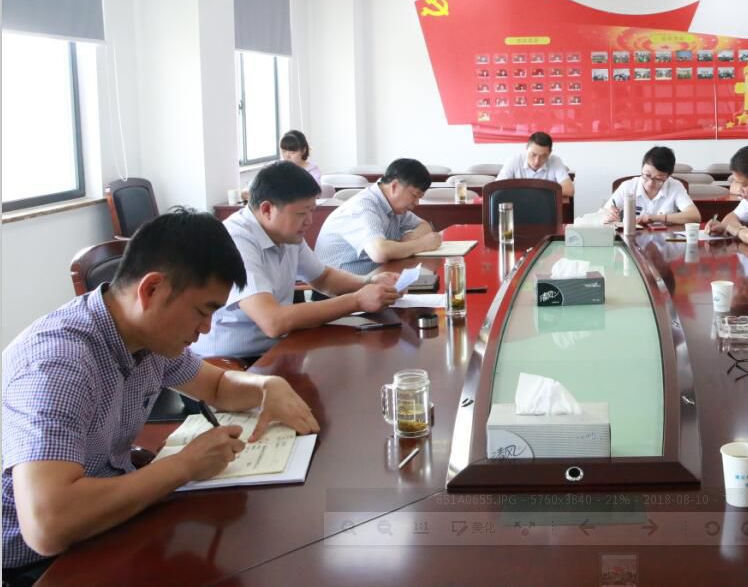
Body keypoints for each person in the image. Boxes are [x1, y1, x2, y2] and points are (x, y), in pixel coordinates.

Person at [1, 210, 320, 578]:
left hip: (105, 519)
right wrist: (184, 466)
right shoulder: (59, 365)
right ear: (151, 289)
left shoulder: (145, 336)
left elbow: (217, 386)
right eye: (202, 311)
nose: (206, 329)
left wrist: (266, 386)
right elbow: (47, 526)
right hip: (33, 564)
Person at [192, 161, 400, 359]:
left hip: (276, 348)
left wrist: (368, 282)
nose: (309, 221)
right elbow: (272, 321)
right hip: (232, 362)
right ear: (267, 209)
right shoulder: (237, 240)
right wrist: (356, 301)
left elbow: (323, 278)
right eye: (302, 213)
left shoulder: (286, 234)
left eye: (311, 211)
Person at [314, 158, 443, 275]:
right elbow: (379, 252)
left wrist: (411, 238)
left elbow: (424, 226)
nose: (416, 203)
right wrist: (421, 244)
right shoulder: (363, 207)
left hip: (373, 278)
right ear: (394, 186)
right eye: (414, 195)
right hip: (339, 286)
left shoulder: (394, 206)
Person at [600, 146, 701, 226]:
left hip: (665, 241)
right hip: (631, 238)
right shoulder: (628, 186)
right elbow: (601, 214)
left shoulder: (675, 186)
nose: (650, 183)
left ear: (668, 176)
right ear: (641, 169)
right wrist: (608, 215)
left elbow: (695, 216)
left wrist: (654, 218)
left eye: (658, 179)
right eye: (647, 175)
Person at [496, 131, 574, 197]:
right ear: (526, 148)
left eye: (543, 156)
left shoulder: (555, 161)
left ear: (550, 153)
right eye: (533, 154)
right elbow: (497, 188)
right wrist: (544, 190)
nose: (537, 161)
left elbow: (569, 190)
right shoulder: (515, 160)